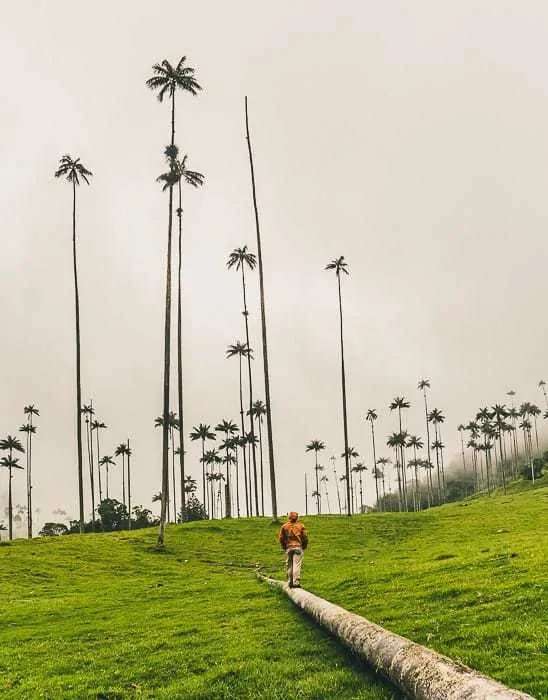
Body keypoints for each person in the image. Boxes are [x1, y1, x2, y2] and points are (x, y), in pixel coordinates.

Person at [278, 511, 309, 588]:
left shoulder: (284, 526)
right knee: (296, 564)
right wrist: (304, 546)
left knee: (289, 565)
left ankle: (290, 581)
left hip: (289, 547)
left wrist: (284, 547)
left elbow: (281, 538)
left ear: (289, 517)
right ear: (297, 517)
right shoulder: (301, 526)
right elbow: (305, 537)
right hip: (298, 547)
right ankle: (296, 582)